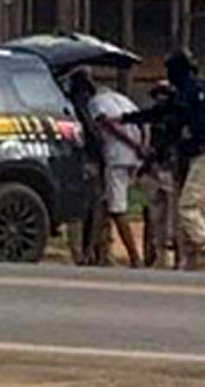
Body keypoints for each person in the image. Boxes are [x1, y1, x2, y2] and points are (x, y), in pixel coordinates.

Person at [161, 49, 205, 272]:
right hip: (201, 155)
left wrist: (189, 136)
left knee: (188, 206)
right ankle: (202, 261)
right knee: (203, 208)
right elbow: (165, 114)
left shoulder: (197, 91)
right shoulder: (185, 92)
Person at [86, 72, 146, 269]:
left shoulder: (95, 102)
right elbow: (141, 121)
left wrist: (130, 143)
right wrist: (141, 145)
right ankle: (90, 253)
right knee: (104, 204)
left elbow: (106, 124)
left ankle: (134, 257)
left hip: (117, 156)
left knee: (117, 209)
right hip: (134, 157)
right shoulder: (123, 100)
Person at [121, 80, 181, 269]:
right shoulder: (153, 117)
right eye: (158, 94)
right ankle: (156, 255)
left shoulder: (177, 117)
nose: (161, 98)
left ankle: (177, 257)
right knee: (155, 216)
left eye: (165, 94)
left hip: (172, 171)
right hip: (155, 170)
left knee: (175, 218)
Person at [64, 68, 111, 266]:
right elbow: (94, 137)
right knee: (94, 209)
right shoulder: (84, 108)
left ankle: (81, 252)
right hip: (88, 161)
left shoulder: (64, 105)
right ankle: (89, 252)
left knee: (78, 211)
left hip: (73, 161)